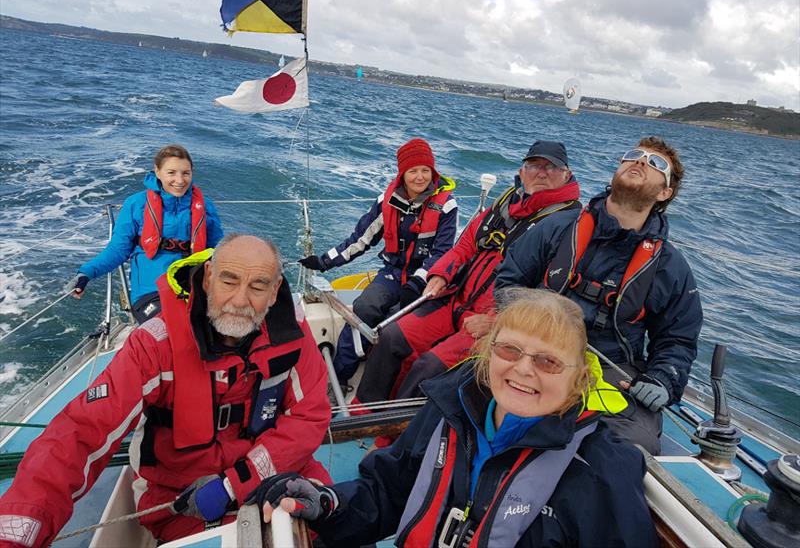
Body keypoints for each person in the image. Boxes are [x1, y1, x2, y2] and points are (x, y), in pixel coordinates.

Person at [250, 290, 657, 548]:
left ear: (578, 379)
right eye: (510, 351)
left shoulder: (602, 471)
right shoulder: (449, 415)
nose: (523, 370)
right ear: (488, 355)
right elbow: (387, 495)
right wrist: (328, 503)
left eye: (548, 361)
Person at [0, 235, 331, 546]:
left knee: (338, 524)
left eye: (258, 286)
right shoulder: (155, 345)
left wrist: (235, 484)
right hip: (181, 496)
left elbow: (309, 415)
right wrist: (18, 529)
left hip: (280, 470)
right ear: (207, 277)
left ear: (274, 294)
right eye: (229, 281)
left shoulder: (290, 333)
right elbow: (80, 433)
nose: (240, 300)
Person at [495, 136, 703, 455]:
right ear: (616, 171)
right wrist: (541, 322)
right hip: (538, 347)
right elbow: (508, 284)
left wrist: (663, 379)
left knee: (632, 446)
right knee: (461, 390)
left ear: (665, 192)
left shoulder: (670, 267)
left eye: (656, 163)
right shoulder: (558, 227)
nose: (641, 162)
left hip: (613, 369)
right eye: (634, 155)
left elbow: (678, 339)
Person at [353, 140, 580, 412]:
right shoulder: (507, 201)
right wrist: (440, 275)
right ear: (522, 171)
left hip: (495, 321)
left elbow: (548, 295)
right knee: (392, 337)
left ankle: (391, 434)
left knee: (430, 366)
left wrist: (497, 322)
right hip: (456, 299)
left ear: (566, 174)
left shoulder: (569, 225)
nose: (541, 173)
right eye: (534, 165)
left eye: (551, 167)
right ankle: (361, 412)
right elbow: (465, 245)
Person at [300, 138, 457, 387]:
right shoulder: (386, 201)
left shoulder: (447, 205)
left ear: (433, 171)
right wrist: (323, 261)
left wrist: (418, 281)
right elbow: (360, 240)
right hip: (393, 273)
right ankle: (338, 377)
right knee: (364, 309)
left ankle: (383, 383)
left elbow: (443, 252)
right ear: (402, 174)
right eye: (413, 171)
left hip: (424, 282)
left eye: (425, 170)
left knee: (399, 325)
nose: (420, 177)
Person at [65, 144, 224, 324]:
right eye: (171, 172)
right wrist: (86, 273)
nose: (180, 180)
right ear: (157, 171)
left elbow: (218, 250)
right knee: (171, 327)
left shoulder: (205, 206)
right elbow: (117, 251)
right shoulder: (136, 204)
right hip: (151, 290)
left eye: (186, 173)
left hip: (193, 286)